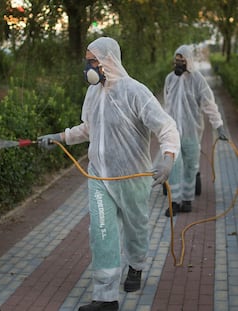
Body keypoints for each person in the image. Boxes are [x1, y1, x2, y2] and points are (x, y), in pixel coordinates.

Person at [38, 37, 180, 311]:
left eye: (93, 61)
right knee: (101, 231)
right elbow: (88, 129)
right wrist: (60, 137)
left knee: (136, 228)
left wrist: (167, 158)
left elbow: (167, 127)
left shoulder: (135, 92)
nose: (88, 67)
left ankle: (136, 266)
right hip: (99, 177)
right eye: (87, 61)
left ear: (108, 61)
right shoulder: (93, 93)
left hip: (132, 177)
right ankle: (106, 297)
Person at [162, 44, 228, 217]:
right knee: (174, 166)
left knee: (191, 166)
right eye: (177, 60)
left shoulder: (198, 80)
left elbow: (209, 104)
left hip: (192, 131)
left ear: (189, 61)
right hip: (173, 132)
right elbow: (166, 105)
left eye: (182, 60)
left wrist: (218, 125)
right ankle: (174, 201)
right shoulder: (170, 79)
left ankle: (187, 200)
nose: (178, 63)